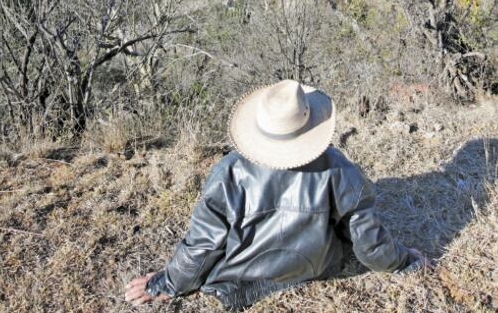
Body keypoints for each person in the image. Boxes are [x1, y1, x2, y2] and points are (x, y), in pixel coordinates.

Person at [124, 80, 427, 310]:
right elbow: (370, 243)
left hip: (237, 285)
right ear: (309, 122)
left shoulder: (228, 173)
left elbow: (202, 246)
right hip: (316, 267)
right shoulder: (340, 169)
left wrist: (167, 282)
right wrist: (402, 262)